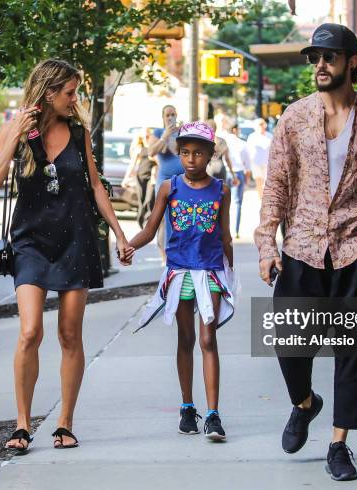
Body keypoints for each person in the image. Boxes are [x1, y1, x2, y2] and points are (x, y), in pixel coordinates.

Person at [254, 23, 357, 481]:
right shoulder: (294, 118)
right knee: (287, 340)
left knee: (355, 352)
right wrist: (266, 244)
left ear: (351, 62)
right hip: (302, 247)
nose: (320, 64)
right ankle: (305, 403)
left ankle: (339, 444)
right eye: (314, 57)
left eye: (330, 56)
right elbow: (276, 185)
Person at [0, 59, 134, 452]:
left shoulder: (78, 131)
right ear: (49, 92)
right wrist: (15, 134)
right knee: (30, 330)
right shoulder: (18, 129)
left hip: (75, 238)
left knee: (70, 334)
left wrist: (119, 234)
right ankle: (22, 424)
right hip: (31, 241)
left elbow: (97, 187)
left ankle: (65, 422)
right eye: (70, 92)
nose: (76, 98)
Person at [129, 121, 238, 441]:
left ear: (210, 155)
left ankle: (214, 414)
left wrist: (231, 273)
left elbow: (225, 236)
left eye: (199, 153)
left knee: (208, 340)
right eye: (185, 153)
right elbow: (150, 230)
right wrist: (127, 246)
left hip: (211, 272)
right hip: (180, 273)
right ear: (178, 154)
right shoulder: (170, 187)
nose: (191, 159)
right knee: (186, 339)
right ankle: (188, 407)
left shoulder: (222, 191)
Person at [148, 105, 183, 261]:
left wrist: (174, 136)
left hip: (182, 179)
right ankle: (165, 254)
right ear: (162, 117)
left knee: (180, 217)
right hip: (165, 180)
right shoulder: (157, 132)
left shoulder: (181, 132)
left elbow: (180, 152)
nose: (170, 117)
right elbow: (151, 152)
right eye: (167, 115)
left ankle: (178, 250)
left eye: (173, 114)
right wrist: (165, 136)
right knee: (164, 218)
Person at [218, 119, 251, 239]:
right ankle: (235, 231)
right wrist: (247, 179)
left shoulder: (222, 141)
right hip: (238, 173)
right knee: (237, 203)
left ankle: (224, 228)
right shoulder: (242, 143)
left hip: (225, 172)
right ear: (235, 130)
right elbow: (248, 164)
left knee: (223, 202)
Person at [123, 128, 156, 229]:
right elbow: (132, 164)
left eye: (148, 135)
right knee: (141, 201)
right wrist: (126, 178)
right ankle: (140, 220)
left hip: (151, 177)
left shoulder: (153, 148)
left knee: (149, 200)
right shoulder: (139, 148)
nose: (146, 137)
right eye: (144, 136)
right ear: (141, 137)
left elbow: (159, 161)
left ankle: (148, 221)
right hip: (140, 177)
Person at [205, 119, 239, 186]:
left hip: (208, 169)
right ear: (216, 128)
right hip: (221, 169)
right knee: (221, 193)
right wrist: (233, 175)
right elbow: (227, 159)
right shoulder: (222, 141)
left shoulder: (204, 142)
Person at [246, 118, 272, 199]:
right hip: (255, 163)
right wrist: (248, 165)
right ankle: (261, 199)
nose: (261, 126)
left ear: (265, 125)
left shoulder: (269, 136)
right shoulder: (252, 137)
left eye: (262, 124)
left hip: (267, 163)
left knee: (266, 183)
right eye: (259, 125)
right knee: (259, 183)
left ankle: (266, 198)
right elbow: (248, 151)